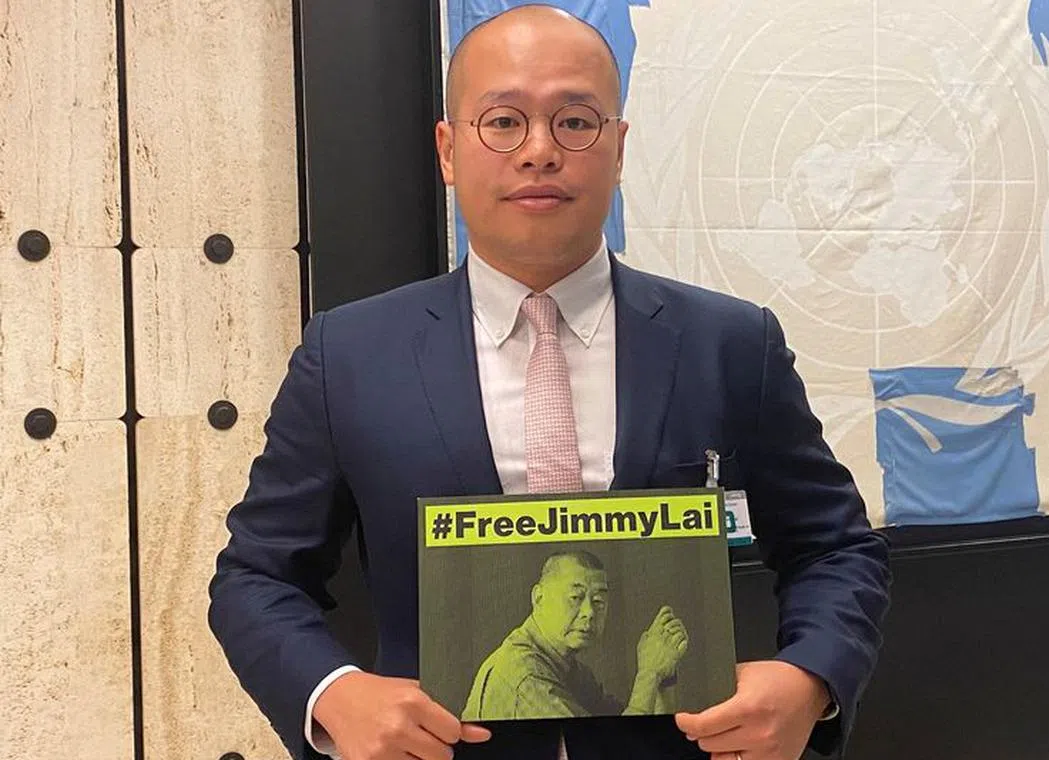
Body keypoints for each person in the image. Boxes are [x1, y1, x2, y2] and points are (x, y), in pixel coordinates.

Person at [207, 4, 891, 760]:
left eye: (575, 122)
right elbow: (257, 576)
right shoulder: (350, 354)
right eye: (503, 122)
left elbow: (835, 549)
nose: (539, 152)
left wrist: (809, 679)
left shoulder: (730, 343)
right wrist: (332, 693)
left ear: (619, 148)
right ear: (447, 148)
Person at [462, 552, 689, 722]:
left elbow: (645, 734)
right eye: (575, 597)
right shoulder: (525, 677)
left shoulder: (570, 669)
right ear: (538, 597)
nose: (589, 613)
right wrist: (648, 675)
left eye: (599, 601)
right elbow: (617, 752)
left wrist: (663, 676)